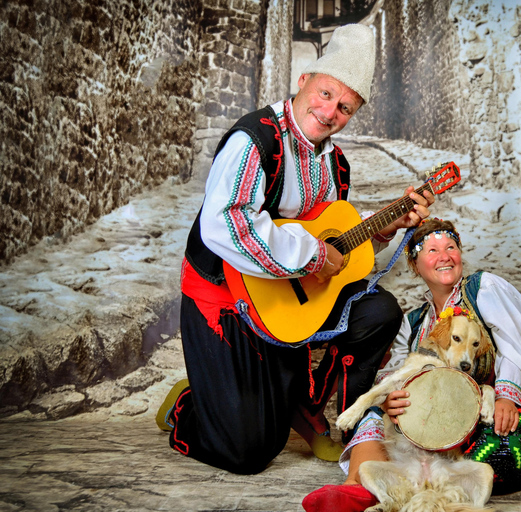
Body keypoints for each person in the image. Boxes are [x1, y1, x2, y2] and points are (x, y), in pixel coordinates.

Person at [154, 24, 434, 475]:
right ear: (304, 81)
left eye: (344, 107)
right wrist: (311, 257)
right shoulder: (256, 140)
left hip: (284, 300)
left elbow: (331, 236)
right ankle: (194, 404)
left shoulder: (335, 164)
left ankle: (307, 405)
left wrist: (384, 228)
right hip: (224, 302)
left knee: (379, 312)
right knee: (247, 452)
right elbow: (228, 224)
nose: (329, 112)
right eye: (325, 94)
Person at [302, 218, 521, 511]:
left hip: (496, 407)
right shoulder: (414, 321)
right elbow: (395, 371)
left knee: (495, 448)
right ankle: (356, 491)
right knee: (376, 411)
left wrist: (506, 396)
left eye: (451, 247)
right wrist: (391, 402)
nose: (445, 256)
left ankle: (416, 493)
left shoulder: (483, 288)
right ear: (414, 264)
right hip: (440, 415)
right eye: (432, 250)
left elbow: (517, 345)